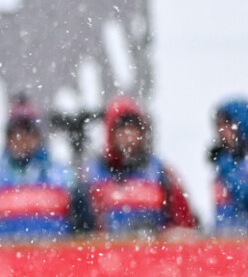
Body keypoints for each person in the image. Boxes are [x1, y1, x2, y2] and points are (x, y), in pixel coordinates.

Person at [0, 96, 86, 241]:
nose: (21, 139)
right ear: (7, 137)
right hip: (0, 259)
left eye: (28, 132)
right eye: (16, 132)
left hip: (54, 258)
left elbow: (85, 227)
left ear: (38, 136)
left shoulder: (64, 176)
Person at [82, 97, 196, 236]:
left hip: (153, 252)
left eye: (133, 129)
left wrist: (167, 234)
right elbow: (81, 229)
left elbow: (184, 224)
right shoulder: (92, 173)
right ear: (110, 133)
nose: (129, 137)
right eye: (122, 130)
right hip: (108, 253)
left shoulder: (160, 171)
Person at [211, 99, 248, 235]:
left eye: (227, 124)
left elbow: (244, 197)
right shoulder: (226, 161)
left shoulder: (228, 164)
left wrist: (226, 167)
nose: (222, 131)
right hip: (225, 244)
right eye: (219, 125)